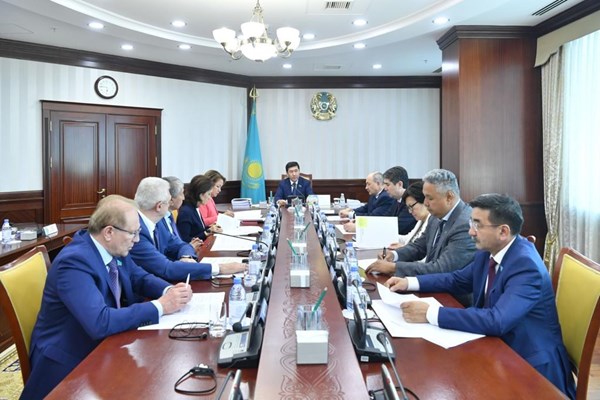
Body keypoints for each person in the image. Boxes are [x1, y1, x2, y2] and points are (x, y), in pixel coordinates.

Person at [384, 194, 576, 399]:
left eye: (477, 225)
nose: (471, 231)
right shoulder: (489, 251)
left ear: (503, 231)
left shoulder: (526, 265)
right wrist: (410, 282)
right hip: (496, 346)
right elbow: (457, 280)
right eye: (471, 223)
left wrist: (431, 314)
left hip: (530, 365)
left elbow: (497, 320)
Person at [21, 195, 193, 400]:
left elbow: (139, 278)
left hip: (105, 345)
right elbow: (100, 322)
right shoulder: (74, 262)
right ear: (109, 232)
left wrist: (170, 291)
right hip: (69, 361)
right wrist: (161, 306)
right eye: (133, 233)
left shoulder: (113, 248)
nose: (137, 240)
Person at [366, 169, 475, 278]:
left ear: (449, 197)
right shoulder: (435, 217)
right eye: (424, 197)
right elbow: (419, 247)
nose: (425, 203)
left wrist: (394, 268)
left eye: (430, 198)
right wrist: (394, 255)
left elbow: (442, 268)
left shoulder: (465, 224)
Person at [130, 177, 245, 281]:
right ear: (159, 206)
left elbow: (180, 244)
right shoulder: (136, 232)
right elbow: (166, 268)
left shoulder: (158, 223)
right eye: (168, 201)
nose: (171, 204)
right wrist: (220, 268)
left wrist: (186, 256)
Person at [177, 174, 223, 242]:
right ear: (201, 195)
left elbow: (199, 229)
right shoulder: (186, 212)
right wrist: (207, 232)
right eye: (209, 194)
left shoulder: (195, 207)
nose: (210, 198)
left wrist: (211, 228)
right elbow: (185, 240)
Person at [162, 176, 202, 252]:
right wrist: (189, 248)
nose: (183, 198)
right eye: (181, 194)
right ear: (171, 200)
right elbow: (167, 250)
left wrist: (188, 246)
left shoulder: (169, 216)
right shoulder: (159, 221)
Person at [388, 181, 430, 251]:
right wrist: (387, 236)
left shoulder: (433, 223)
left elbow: (423, 251)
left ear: (424, 201)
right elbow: (408, 238)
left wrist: (403, 248)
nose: (410, 211)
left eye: (411, 206)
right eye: (408, 208)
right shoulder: (421, 220)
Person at [382, 166, 417, 235]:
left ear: (400, 184)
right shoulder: (395, 200)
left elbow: (399, 227)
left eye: (388, 185)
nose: (385, 188)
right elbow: (385, 219)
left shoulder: (411, 202)